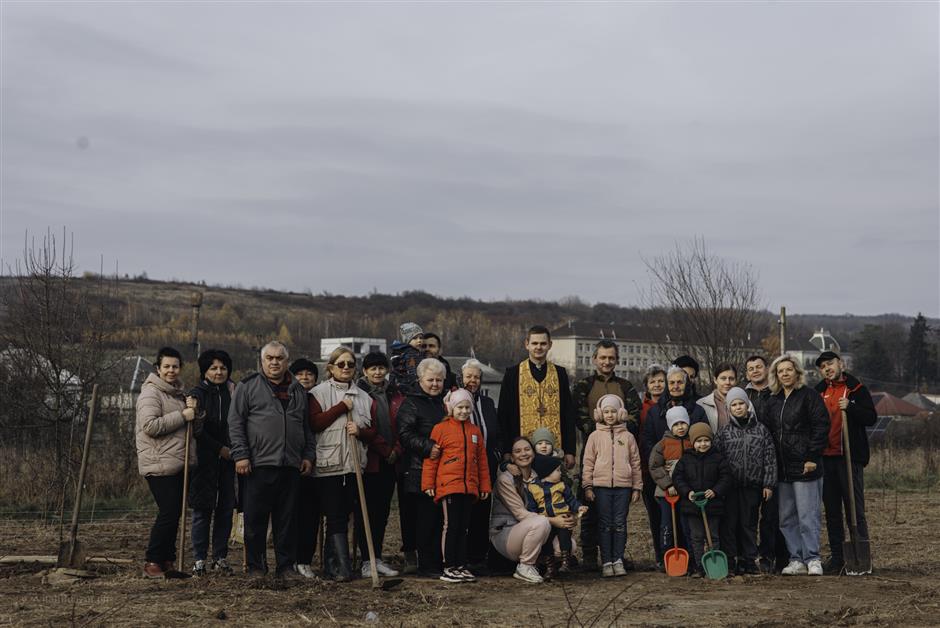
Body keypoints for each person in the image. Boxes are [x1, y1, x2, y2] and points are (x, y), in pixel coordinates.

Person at [229, 341, 315, 580]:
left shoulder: (298, 389)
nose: (275, 362)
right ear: (262, 361)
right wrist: (241, 455)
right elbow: (235, 423)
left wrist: (308, 455)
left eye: (279, 358)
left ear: (286, 361)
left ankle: (285, 567)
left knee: (287, 520)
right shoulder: (247, 386)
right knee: (256, 519)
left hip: (290, 464)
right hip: (258, 464)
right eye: (270, 358)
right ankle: (256, 568)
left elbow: (305, 427)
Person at [571, 340, 642, 570]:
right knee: (590, 506)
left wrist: (618, 427)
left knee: (618, 515)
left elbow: (635, 415)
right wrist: (599, 431)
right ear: (594, 359)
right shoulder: (584, 385)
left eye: (611, 357)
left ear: (616, 360)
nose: (607, 361)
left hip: (620, 449)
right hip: (594, 449)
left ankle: (614, 556)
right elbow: (579, 415)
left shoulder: (626, 385)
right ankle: (590, 556)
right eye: (602, 357)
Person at [308, 348, 377, 582]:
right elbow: (314, 423)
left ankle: (338, 566)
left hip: (354, 465)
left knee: (347, 515)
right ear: (330, 367)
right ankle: (340, 568)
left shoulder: (365, 397)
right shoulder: (318, 393)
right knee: (335, 516)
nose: (346, 368)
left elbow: (373, 431)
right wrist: (340, 408)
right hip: (329, 466)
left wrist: (361, 432)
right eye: (341, 364)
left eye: (350, 364)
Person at [763, 354, 829, 577]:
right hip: (782, 469)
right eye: (780, 371)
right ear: (776, 376)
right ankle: (796, 559)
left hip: (804, 467)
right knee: (787, 517)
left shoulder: (809, 396)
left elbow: (821, 426)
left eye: (788, 370)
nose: (785, 374)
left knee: (807, 516)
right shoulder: (774, 400)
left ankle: (813, 558)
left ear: (797, 372)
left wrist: (811, 456)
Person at [136, 347, 199, 578]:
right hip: (158, 463)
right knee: (169, 511)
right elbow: (150, 426)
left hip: (177, 463)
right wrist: (182, 415)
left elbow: (189, 426)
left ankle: (166, 560)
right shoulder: (151, 394)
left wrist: (193, 411)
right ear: (158, 368)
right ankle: (152, 561)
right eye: (167, 366)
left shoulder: (177, 394)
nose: (171, 370)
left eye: (175, 366)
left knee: (174, 513)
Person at [814, 351, 877, 574]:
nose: (827, 368)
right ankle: (839, 558)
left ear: (840, 363)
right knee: (831, 511)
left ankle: (861, 554)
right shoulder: (818, 391)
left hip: (850, 459)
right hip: (826, 459)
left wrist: (850, 406)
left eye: (830, 363)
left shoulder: (856, 389)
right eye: (822, 366)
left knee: (854, 509)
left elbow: (871, 417)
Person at [422, 388, 491, 582]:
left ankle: (461, 564)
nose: (463, 411)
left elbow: (482, 461)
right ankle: (449, 565)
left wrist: (484, 486)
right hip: (449, 486)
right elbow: (431, 459)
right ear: (451, 408)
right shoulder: (441, 429)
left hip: (469, 487)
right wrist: (428, 483)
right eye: (460, 407)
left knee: (464, 527)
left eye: (467, 407)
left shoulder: (475, 431)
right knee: (451, 526)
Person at [714, 387, 777, 575]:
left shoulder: (761, 430)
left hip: (753, 486)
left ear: (747, 405)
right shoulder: (724, 433)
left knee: (749, 523)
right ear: (729, 408)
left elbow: (770, 458)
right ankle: (731, 559)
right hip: (730, 488)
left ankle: (749, 559)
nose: (738, 407)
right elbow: (716, 459)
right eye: (734, 404)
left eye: (741, 403)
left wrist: (768, 483)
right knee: (730, 524)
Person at [497, 326, 576, 469]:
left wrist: (570, 450)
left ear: (550, 345)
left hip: (554, 450)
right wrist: (507, 450)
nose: (538, 347)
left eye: (543, 343)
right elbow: (504, 414)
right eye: (534, 343)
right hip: (521, 449)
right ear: (526, 344)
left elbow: (568, 413)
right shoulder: (512, 374)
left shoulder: (560, 373)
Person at [581, 395, 642, 578]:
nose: (609, 415)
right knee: (605, 524)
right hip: (601, 487)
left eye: (613, 411)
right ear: (600, 413)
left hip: (623, 487)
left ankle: (618, 559)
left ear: (620, 413)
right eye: (606, 411)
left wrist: (637, 487)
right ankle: (607, 561)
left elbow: (636, 462)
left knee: (620, 524)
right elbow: (588, 462)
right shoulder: (594, 436)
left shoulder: (628, 437)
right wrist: (588, 486)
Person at [397, 358, 448, 577]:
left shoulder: (444, 402)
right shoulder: (411, 403)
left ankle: (440, 561)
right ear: (420, 380)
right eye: (430, 380)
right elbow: (405, 434)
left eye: (439, 380)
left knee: (440, 518)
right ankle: (427, 566)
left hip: (444, 470)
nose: (435, 384)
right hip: (419, 469)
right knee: (425, 519)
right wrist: (428, 447)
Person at [188, 349, 236, 576]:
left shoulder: (233, 392)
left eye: (223, 368)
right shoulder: (197, 394)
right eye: (214, 368)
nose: (219, 372)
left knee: (226, 510)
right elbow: (197, 431)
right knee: (202, 510)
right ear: (205, 371)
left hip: (229, 461)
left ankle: (220, 556)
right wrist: (220, 449)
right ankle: (199, 558)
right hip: (204, 460)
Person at [355, 351, 403, 578]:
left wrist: (397, 450)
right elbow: (365, 429)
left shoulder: (394, 394)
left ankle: (378, 557)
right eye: (372, 368)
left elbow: (404, 424)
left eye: (381, 368)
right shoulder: (359, 393)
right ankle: (366, 559)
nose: (377, 372)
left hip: (391, 462)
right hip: (369, 460)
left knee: (382, 513)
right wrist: (385, 450)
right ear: (364, 371)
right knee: (368, 512)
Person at [488, 437, 555, 584]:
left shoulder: (537, 477)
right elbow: (520, 513)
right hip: (505, 532)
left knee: (567, 544)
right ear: (512, 457)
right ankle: (525, 566)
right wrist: (554, 520)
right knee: (541, 523)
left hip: (528, 528)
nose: (523, 454)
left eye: (527, 449)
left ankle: (538, 562)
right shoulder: (505, 479)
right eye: (518, 451)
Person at [672, 423, 733, 578]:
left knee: (713, 535)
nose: (703, 444)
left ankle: (714, 566)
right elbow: (678, 478)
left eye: (706, 440)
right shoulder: (686, 459)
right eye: (699, 441)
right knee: (697, 536)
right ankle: (699, 566)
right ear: (693, 443)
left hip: (713, 505)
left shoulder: (718, 458)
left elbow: (726, 477)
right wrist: (688, 492)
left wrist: (715, 491)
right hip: (692, 506)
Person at [460, 359, 502, 573]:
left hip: (487, 465)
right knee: (464, 511)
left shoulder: (487, 403)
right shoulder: (455, 401)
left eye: (476, 377)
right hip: (464, 467)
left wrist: (496, 453)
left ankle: (478, 557)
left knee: (483, 510)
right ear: (461, 378)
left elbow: (497, 431)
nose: (473, 381)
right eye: (469, 376)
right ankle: (462, 557)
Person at [745, 354, 786, 573]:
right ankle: (751, 557)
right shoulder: (743, 395)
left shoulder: (777, 393)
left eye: (758, 367)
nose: (755, 371)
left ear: (766, 369)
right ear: (746, 373)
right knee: (749, 514)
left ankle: (772, 556)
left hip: (774, 460)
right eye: (750, 368)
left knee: (772, 514)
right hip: (749, 463)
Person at [525, 454, 587, 578]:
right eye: (557, 471)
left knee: (565, 537)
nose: (560, 473)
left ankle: (566, 562)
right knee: (546, 542)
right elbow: (531, 508)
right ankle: (550, 567)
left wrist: (579, 507)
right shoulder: (533, 488)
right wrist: (535, 518)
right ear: (546, 474)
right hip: (545, 521)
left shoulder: (562, 485)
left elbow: (571, 500)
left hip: (562, 517)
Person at [648, 406, 693, 570]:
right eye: (676, 424)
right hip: (667, 493)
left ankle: (689, 557)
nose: (680, 427)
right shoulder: (663, 444)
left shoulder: (692, 441)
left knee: (686, 524)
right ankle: (666, 554)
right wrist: (668, 484)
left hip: (687, 492)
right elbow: (654, 466)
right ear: (669, 426)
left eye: (683, 423)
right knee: (667, 525)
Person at [288, 358, 320, 578]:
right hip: (289, 462)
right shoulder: (287, 398)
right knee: (289, 514)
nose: (305, 377)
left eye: (309, 374)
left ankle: (305, 560)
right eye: (300, 374)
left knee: (310, 514)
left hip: (318, 463)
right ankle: (288, 559)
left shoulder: (319, 398)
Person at [642, 366, 707, 459]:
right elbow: (648, 443)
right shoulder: (655, 412)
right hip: (664, 467)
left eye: (680, 382)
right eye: (672, 383)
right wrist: (660, 463)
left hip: (693, 466)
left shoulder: (698, 411)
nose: (676, 386)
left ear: (687, 384)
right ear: (667, 386)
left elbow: (704, 440)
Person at [638, 363, 667, 569]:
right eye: (652, 381)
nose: (657, 385)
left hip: (671, 468)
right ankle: (659, 554)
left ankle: (672, 551)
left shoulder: (672, 405)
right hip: (648, 469)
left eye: (660, 381)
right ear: (647, 386)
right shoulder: (642, 409)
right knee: (655, 515)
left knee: (671, 514)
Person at [696, 363, 738, 433]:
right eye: (723, 378)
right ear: (715, 380)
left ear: (736, 381)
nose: (727, 382)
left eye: (731, 379)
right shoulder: (701, 404)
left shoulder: (746, 403)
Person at [390, 322, 426, 393]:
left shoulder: (416, 352)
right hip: (410, 386)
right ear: (407, 340)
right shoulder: (410, 353)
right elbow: (412, 370)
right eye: (415, 338)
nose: (419, 340)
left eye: (421, 338)